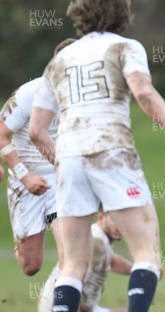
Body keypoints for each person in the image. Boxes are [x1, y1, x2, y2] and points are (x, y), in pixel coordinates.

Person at [28, 0, 165, 312]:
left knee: (72, 263)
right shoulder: (125, 47)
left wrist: (60, 160)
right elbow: (143, 93)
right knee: (148, 253)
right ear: (121, 13)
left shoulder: (59, 60)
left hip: (71, 157)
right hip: (111, 151)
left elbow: (35, 129)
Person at [0, 38, 76, 276]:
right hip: (26, 178)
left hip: (62, 178)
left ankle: (62, 308)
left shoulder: (82, 97)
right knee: (30, 265)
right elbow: (1, 135)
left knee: (70, 254)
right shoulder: (28, 94)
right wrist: (25, 176)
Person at [38, 212, 132, 312]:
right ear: (101, 217)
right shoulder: (95, 243)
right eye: (115, 220)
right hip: (59, 308)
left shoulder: (99, 239)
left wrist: (144, 269)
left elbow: (111, 260)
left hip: (86, 310)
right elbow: (70, 282)